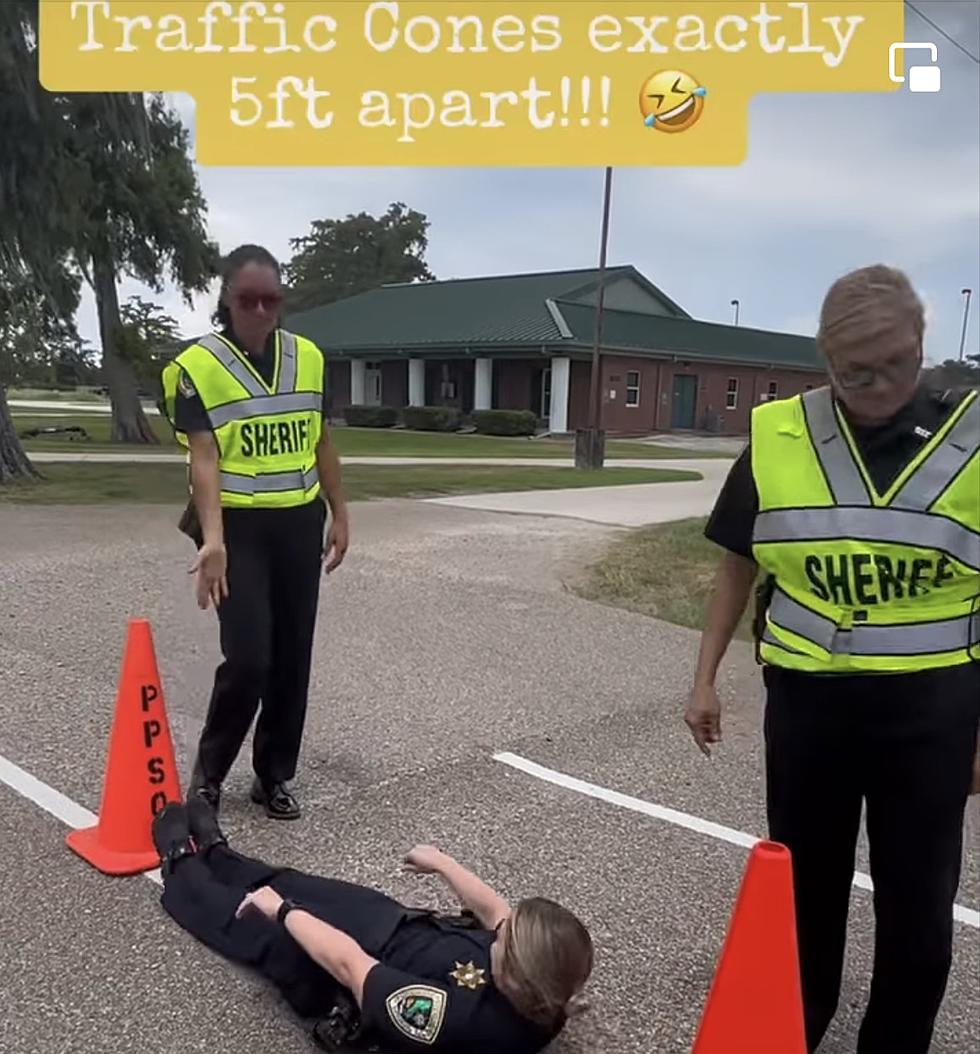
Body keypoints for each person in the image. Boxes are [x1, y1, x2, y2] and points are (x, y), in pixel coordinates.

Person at [684, 264, 980, 1054]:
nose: (880, 386)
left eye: (898, 365)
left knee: (917, 906)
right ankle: (795, 1023)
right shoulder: (779, 436)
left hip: (934, 710)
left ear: (922, 343)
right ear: (825, 361)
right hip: (811, 707)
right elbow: (737, 563)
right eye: (856, 372)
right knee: (804, 891)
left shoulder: (975, 435)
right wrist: (705, 676)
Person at [151, 798, 594, 1053]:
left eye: (505, 942)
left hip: (351, 967)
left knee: (253, 920)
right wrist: (444, 864)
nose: (500, 930)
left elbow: (350, 965)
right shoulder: (545, 987)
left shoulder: (455, 1019)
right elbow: (498, 913)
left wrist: (284, 912)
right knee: (292, 882)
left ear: (512, 976)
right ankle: (217, 854)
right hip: (398, 928)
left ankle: (181, 866)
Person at [161, 244, 349, 821]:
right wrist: (212, 540)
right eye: (249, 300)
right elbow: (204, 460)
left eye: (272, 300)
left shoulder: (310, 358)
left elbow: (320, 442)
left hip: (298, 522)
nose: (261, 311)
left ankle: (273, 776)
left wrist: (339, 510)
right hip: (237, 526)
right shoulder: (195, 367)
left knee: (293, 656)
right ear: (226, 299)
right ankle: (208, 780)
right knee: (248, 659)